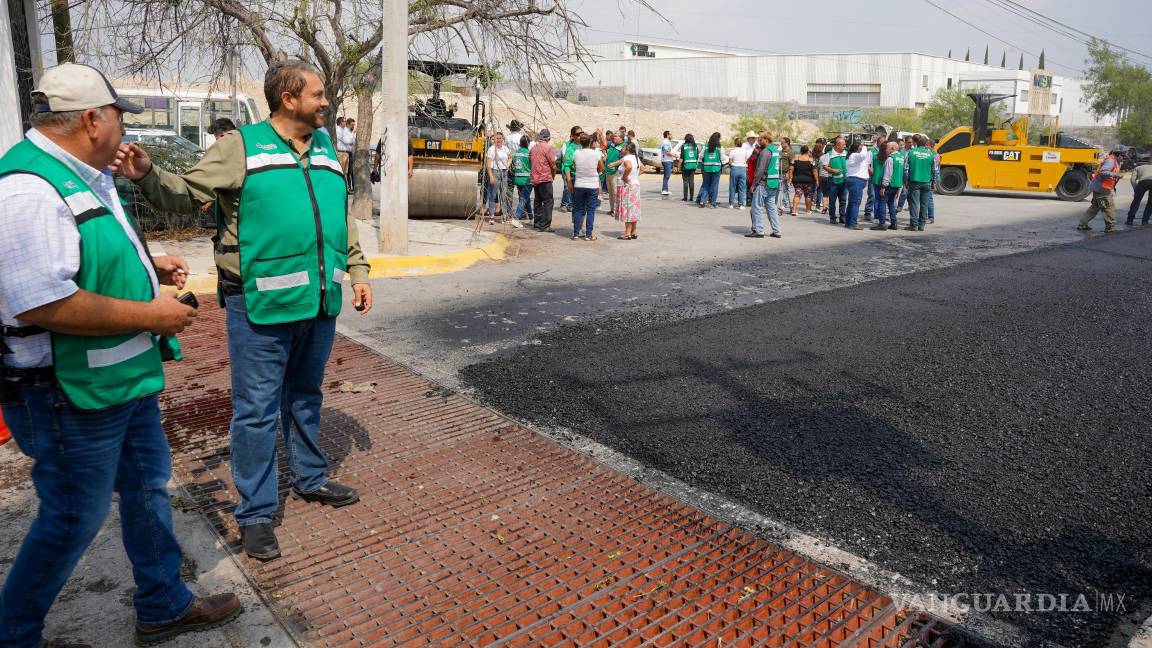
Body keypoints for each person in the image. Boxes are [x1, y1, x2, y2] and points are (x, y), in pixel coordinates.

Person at [0, 62, 241, 647]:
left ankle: (162, 603)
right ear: (90, 119)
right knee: (73, 518)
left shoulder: (79, 173)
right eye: (115, 116)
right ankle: (13, 633)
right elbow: (38, 301)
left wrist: (145, 266)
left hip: (117, 379)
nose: (120, 128)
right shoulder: (29, 189)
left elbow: (81, 252)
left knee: (147, 486)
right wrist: (150, 313)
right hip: (65, 390)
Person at [120, 60, 372, 562]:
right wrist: (147, 173)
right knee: (255, 412)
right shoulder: (241, 146)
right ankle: (255, 513)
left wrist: (359, 271)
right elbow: (186, 194)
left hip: (319, 302)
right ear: (288, 98)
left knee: (305, 396)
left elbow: (340, 220)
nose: (326, 102)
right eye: (317, 94)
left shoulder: (323, 147)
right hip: (258, 305)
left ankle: (310, 478)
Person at [1077, 144, 1127, 232]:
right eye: (1123, 154)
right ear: (1118, 154)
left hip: (1100, 187)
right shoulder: (1111, 161)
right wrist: (1116, 174)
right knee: (1108, 207)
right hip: (1102, 188)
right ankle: (1110, 227)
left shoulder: (1114, 160)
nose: (1124, 156)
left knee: (1095, 207)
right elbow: (1103, 172)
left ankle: (1082, 224)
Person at [746, 132, 782, 238]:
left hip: (763, 183)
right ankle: (777, 230)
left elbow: (760, 170)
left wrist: (753, 184)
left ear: (766, 139)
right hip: (774, 182)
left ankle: (759, 230)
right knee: (771, 207)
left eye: (760, 139)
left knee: (756, 206)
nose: (758, 142)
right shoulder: (775, 151)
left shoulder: (765, 152)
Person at [569, 134, 604, 240]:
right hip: (592, 184)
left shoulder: (576, 153)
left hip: (579, 184)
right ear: (589, 142)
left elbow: (575, 166)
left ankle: (575, 234)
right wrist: (594, 171)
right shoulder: (596, 153)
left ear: (581, 143)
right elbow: (601, 167)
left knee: (578, 209)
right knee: (591, 210)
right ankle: (588, 235)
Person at [905, 134, 936, 231]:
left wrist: (906, 180)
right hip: (926, 182)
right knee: (924, 204)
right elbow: (934, 170)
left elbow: (906, 168)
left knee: (914, 204)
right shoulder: (931, 154)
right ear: (926, 143)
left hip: (914, 181)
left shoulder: (911, 153)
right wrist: (933, 181)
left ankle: (913, 225)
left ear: (917, 143)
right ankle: (921, 225)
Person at [530, 128, 558, 232]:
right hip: (545, 178)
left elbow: (530, 161)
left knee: (537, 201)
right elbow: (553, 165)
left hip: (535, 178)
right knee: (548, 201)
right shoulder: (548, 148)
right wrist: (553, 176)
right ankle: (545, 225)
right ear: (548, 138)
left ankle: (537, 224)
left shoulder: (533, 148)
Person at [483, 132, 513, 225]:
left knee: (503, 195)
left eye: (500, 138)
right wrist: (491, 176)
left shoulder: (505, 148)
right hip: (495, 172)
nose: (499, 140)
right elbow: (488, 165)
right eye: (497, 138)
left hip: (504, 173)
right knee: (493, 194)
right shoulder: (491, 150)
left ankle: (504, 216)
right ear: (494, 139)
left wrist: (507, 165)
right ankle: (491, 216)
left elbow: (510, 157)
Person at [874, 141, 905, 230]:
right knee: (891, 204)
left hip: (889, 185)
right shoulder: (901, 157)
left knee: (882, 203)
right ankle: (893, 223)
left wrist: (883, 186)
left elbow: (887, 173)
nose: (885, 150)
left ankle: (882, 224)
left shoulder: (890, 159)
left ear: (892, 148)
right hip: (897, 185)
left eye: (887, 148)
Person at [614, 142, 642, 240]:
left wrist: (625, 177)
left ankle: (627, 233)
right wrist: (634, 177)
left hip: (627, 186)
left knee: (627, 208)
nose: (621, 149)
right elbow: (643, 168)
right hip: (635, 185)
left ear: (627, 149)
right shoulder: (636, 158)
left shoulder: (627, 158)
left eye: (623, 148)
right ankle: (633, 231)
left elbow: (629, 167)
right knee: (633, 209)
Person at [844, 141, 871, 230]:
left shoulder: (852, 156)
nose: (862, 150)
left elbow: (866, 158)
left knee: (852, 202)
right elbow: (863, 155)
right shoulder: (855, 155)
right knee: (855, 202)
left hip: (854, 180)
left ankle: (848, 222)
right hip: (856, 180)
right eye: (860, 148)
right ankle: (853, 223)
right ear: (856, 149)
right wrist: (864, 147)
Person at [822, 137, 848, 224]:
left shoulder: (846, 153)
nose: (845, 146)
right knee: (832, 201)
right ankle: (832, 217)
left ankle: (842, 217)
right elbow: (825, 166)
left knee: (843, 200)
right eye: (843, 144)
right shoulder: (829, 154)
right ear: (837, 146)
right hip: (833, 181)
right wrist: (833, 170)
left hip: (844, 181)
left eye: (845, 144)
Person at [697, 132, 725, 209]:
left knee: (706, 185)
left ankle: (702, 201)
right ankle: (712, 203)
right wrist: (724, 164)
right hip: (716, 169)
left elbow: (701, 156)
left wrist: (701, 165)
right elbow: (722, 158)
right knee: (714, 186)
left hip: (706, 168)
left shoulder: (706, 146)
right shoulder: (719, 147)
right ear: (718, 138)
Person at [788, 145, 818, 215]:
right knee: (808, 195)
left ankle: (794, 210)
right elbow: (814, 171)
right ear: (808, 151)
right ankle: (808, 211)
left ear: (801, 151)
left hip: (797, 180)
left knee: (797, 194)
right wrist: (817, 180)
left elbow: (791, 169)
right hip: (808, 180)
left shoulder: (795, 159)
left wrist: (790, 177)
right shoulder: (811, 160)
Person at [559, 126, 582, 212]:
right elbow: (566, 162)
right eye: (577, 134)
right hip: (570, 173)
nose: (580, 135)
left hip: (580, 175)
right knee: (567, 188)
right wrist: (569, 180)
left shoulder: (584, 145)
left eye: (581, 133)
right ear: (573, 136)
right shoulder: (569, 147)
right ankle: (564, 204)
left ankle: (571, 205)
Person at [512, 135, 534, 223]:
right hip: (527, 180)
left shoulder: (516, 153)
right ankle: (516, 218)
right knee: (523, 200)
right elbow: (532, 165)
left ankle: (531, 218)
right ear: (528, 143)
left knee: (526, 199)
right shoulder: (529, 153)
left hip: (518, 179)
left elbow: (514, 163)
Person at [727, 135, 751, 209]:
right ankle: (740, 204)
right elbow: (747, 160)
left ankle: (731, 204)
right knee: (742, 188)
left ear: (735, 144)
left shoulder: (732, 151)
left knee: (732, 187)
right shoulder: (745, 151)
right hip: (743, 169)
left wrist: (733, 165)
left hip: (734, 169)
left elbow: (730, 162)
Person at [868, 140, 889, 224]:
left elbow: (870, 167)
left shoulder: (875, 156)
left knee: (877, 199)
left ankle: (876, 217)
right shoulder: (888, 157)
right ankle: (881, 217)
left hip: (875, 179)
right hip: (884, 179)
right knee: (883, 200)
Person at [1126, 161, 1152, 226]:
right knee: (1150, 203)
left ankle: (1129, 220)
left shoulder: (1137, 168)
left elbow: (1132, 179)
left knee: (1136, 201)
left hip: (1143, 182)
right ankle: (1145, 221)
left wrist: (1135, 189)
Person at [603, 131, 623, 215]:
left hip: (616, 172)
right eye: (613, 136)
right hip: (608, 171)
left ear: (621, 138)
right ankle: (612, 209)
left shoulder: (623, 147)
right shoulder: (612, 144)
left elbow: (624, 159)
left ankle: (616, 211)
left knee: (615, 192)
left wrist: (614, 164)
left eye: (615, 136)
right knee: (610, 192)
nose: (613, 137)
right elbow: (604, 144)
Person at [680, 133, 699, 202]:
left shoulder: (684, 146)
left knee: (685, 181)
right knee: (691, 181)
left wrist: (678, 166)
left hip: (686, 166)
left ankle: (685, 197)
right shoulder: (695, 146)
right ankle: (691, 197)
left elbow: (681, 157)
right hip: (693, 166)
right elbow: (697, 157)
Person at [777, 136, 794, 213]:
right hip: (778, 172)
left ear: (787, 143)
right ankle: (774, 204)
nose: (781, 143)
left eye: (782, 142)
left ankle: (784, 204)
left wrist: (789, 174)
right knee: (777, 189)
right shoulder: (780, 151)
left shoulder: (790, 152)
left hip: (785, 173)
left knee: (785, 189)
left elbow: (792, 164)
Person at [340, 118, 357, 192]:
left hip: (350, 152)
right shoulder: (345, 131)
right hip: (345, 152)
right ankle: (348, 187)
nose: (353, 126)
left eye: (354, 124)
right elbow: (347, 141)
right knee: (348, 171)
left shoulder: (350, 132)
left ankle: (352, 187)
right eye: (352, 125)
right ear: (348, 124)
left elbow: (353, 142)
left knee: (351, 171)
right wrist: (352, 140)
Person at [659, 130, 675, 196]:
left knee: (667, 175)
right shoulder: (665, 142)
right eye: (670, 134)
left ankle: (666, 189)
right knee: (667, 175)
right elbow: (666, 151)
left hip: (668, 160)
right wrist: (675, 155)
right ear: (668, 135)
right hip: (667, 160)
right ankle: (664, 190)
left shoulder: (667, 141)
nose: (671, 136)